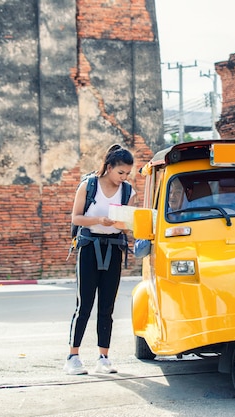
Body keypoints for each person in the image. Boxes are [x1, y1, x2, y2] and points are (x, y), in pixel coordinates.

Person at [64, 144, 136, 375]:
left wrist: (124, 224)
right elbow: (76, 217)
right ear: (109, 167)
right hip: (89, 247)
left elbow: (127, 224)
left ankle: (103, 358)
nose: (123, 178)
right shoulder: (89, 185)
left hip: (114, 248)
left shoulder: (128, 192)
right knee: (84, 305)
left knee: (107, 307)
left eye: (127, 173)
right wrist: (99, 220)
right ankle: (72, 357)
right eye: (120, 172)